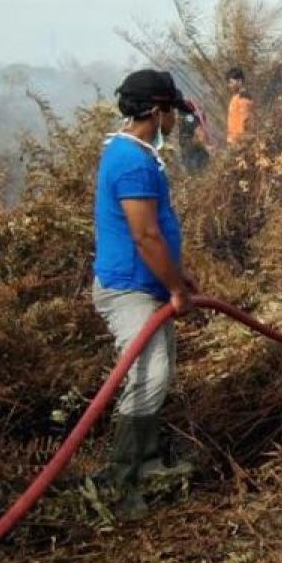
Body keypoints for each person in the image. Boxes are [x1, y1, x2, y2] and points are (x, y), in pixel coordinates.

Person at [93, 69, 197, 520]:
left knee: (159, 373)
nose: (175, 119)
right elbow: (145, 235)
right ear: (157, 112)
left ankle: (148, 461)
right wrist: (174, 286)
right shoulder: (133, 161)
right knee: (147, 376)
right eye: (172, 110)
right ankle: (121, 480)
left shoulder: (134, 152)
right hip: (130, 290)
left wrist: (177, 278)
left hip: (150, 284)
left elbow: (157, 235)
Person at [177, 98, 211, 174]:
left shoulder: (182, 117)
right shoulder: (189, 117)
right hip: (196, 153)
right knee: (203, 172)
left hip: (188, 153)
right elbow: (199, 132)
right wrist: (208, 146)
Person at [225, 66, 255, 146]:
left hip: (240, 143)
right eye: (228, 83)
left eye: (231, 82)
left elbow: (245, 121)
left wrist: (242, 141)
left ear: (239, 81)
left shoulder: (243, 97)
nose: (229, 85)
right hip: (235, 141)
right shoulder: (236, 97)